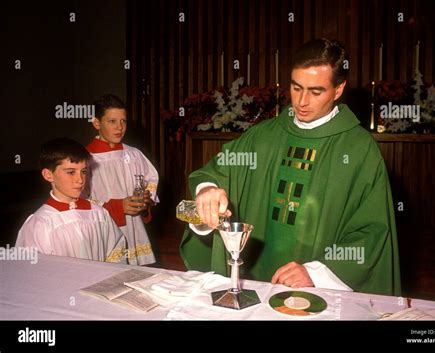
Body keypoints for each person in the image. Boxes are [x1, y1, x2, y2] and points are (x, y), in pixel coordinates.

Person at [180, 38, 401, 296]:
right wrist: (208, 191)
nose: (302, 101)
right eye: (296, 88)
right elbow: (215, 172)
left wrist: (317, 273)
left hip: (318, 292)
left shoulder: (360, 150)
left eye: (315, 91)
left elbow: (373, 232)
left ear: (338, 89)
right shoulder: (262, 137)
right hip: (252, 283)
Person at [16, 138, 126, 263]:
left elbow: (117, 251)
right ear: (48, 175)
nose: (80, 179)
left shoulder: (99, 213)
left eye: (83, 171)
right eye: (71, 172)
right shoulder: (40, 223)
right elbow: (30, 269)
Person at [85, 94, 159, 265]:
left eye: (123, 121)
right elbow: (81, 202)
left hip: (134, 227)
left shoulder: (133, 154)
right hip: (105, 229)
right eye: (112, 121)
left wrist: (146, 199)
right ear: (96, 123)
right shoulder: (86, 159)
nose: (120, 127)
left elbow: (151, 180)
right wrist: (118, 207)